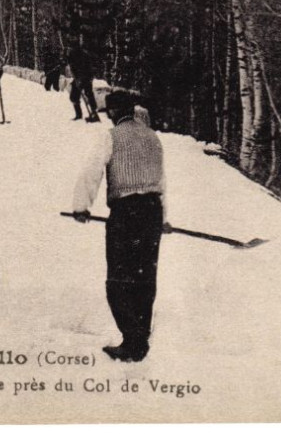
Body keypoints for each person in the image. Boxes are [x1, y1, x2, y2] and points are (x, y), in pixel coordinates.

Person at [72, 89, 168, 362]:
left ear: (114, 112)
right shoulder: (153, 137)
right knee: (145, 278)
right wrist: (165, 218)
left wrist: (82, 206)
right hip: (152, 212)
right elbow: (162, 181)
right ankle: (140, 339)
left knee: (118, 278)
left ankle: (131, 340)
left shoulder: (111, 136)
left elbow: (91, 171)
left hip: (126, 214)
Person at [68, 45, 100, 122]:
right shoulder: (72, 55)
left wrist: (80, 80)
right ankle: (79, 115)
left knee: (88, 94)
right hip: (80, 77)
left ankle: (94, 114)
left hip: (86, 77)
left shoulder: (83, 56)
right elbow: (73, 67)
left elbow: (87, 68)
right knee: (74, 96)